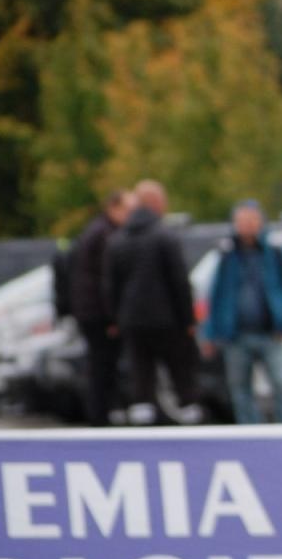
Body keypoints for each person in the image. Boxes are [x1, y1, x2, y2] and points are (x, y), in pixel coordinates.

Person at [106, 179, 203, 426]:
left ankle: (143, 427)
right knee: (180, 372)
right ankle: (191, 422)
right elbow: (179, 282)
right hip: (167, 319)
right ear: (157, 203)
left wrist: (115, 318)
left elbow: (110, 285)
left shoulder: (118, 239)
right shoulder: (165, 236)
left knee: (141, 375)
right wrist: (188, 319)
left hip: (132, 320)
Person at [200, 200, 282, 425]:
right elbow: (216, 294)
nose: (246, 226)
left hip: (270, 332)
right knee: (240, 389)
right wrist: (209, 331)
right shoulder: (228, 256)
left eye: (251, 220)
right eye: (242, 221)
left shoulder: (275, 253)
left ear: (261, 223)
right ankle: (250, 434)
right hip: (237, 334)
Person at [68, 189, 133, 426]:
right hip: (98, 314)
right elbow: (106, 281)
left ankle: (102, 414)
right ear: (113, 208)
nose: (131, 216)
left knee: (102, 367)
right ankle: (100, 418)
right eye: (127, 210)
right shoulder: (105, 234)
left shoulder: (99, 231)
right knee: (101, 367)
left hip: (92, 311)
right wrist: (112, 317)